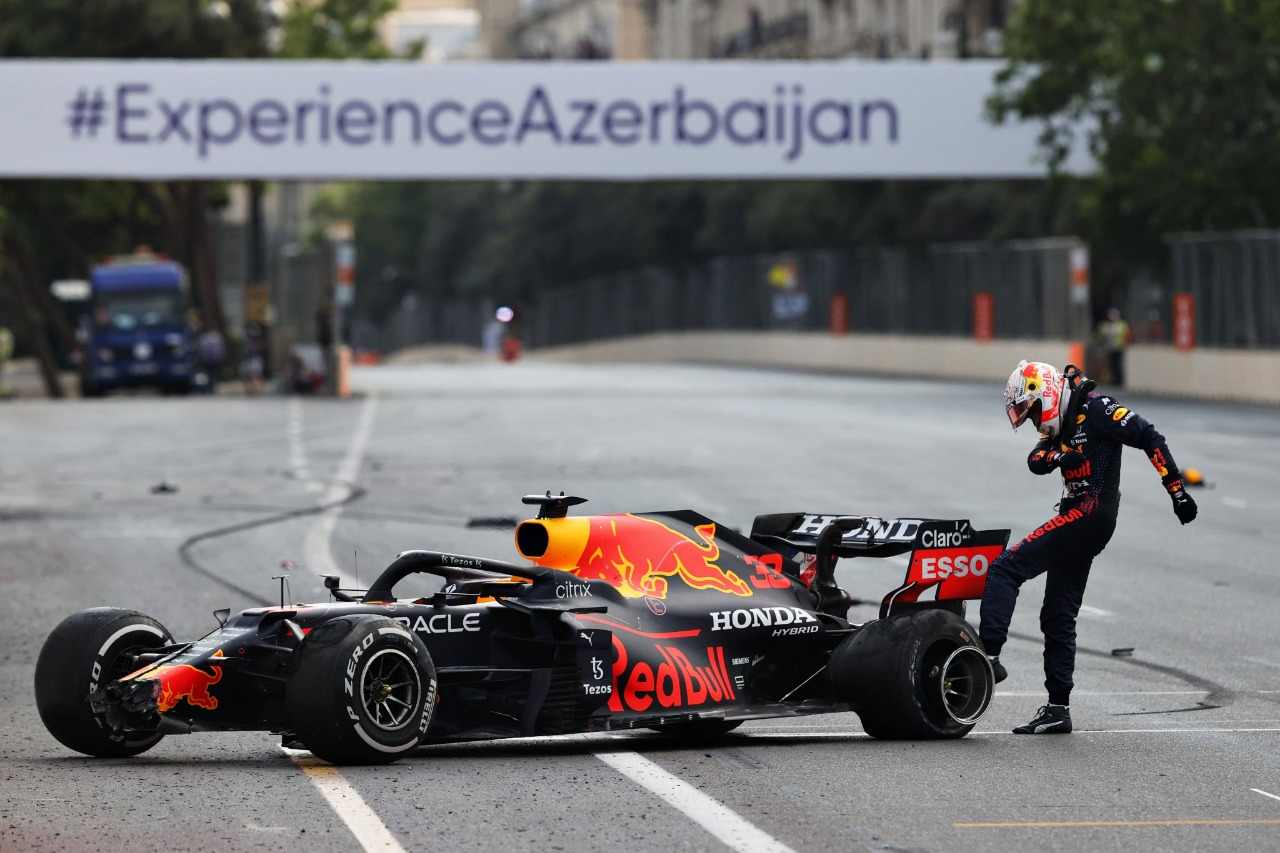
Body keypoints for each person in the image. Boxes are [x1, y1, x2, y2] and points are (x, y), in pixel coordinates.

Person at [981, 360, 1197, 734]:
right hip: (1080, 518)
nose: (1033, 421)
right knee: (1057, 615)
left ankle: (987, 657)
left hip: (1090, 514)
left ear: (1044, 393)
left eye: (1032, 412)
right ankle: (1057, 709)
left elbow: (1150, 436)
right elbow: (1035, 460)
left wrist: (1176, 491)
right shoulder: (1063, 416)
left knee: (1005, 568)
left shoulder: (1097, 409)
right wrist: (1059, 457)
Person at [1097, 307, 1131, 386]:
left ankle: (1119, 381)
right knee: (1111, 365)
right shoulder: (1105, 325)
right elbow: (1100, 336)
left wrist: (1126, 344)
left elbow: (1127, 335)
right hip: (1109, 348)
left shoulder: (1122, 325)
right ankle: (1113, 381)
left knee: (1118, 365)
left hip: (1119, 348)